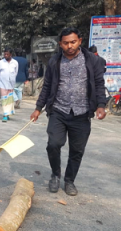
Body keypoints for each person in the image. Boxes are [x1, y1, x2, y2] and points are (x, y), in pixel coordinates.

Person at [31, 27, 107, 196]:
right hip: (58, 110)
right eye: (66, 43)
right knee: (53, 144)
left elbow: (99, 84)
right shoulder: (54, 61)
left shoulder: (91, 61)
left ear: (80, 41)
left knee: (77, 150)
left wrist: (101, 105)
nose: (70, 46)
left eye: (73, 42)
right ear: (60, 44)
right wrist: (38, 108)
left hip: (82, 113)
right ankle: (55, 175)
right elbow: (47, 87)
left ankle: (69, 180)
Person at [0, 48, 18, 122]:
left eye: (7, 54)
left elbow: (15, 73)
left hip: (11, 84)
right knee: (4, 99)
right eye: (4, 54)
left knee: (9, 99)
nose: (5, 55)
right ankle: (5, 115)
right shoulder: (0, 63)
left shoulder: (15, 63)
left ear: (10, 55)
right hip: (3, 84)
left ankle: (8, 113)